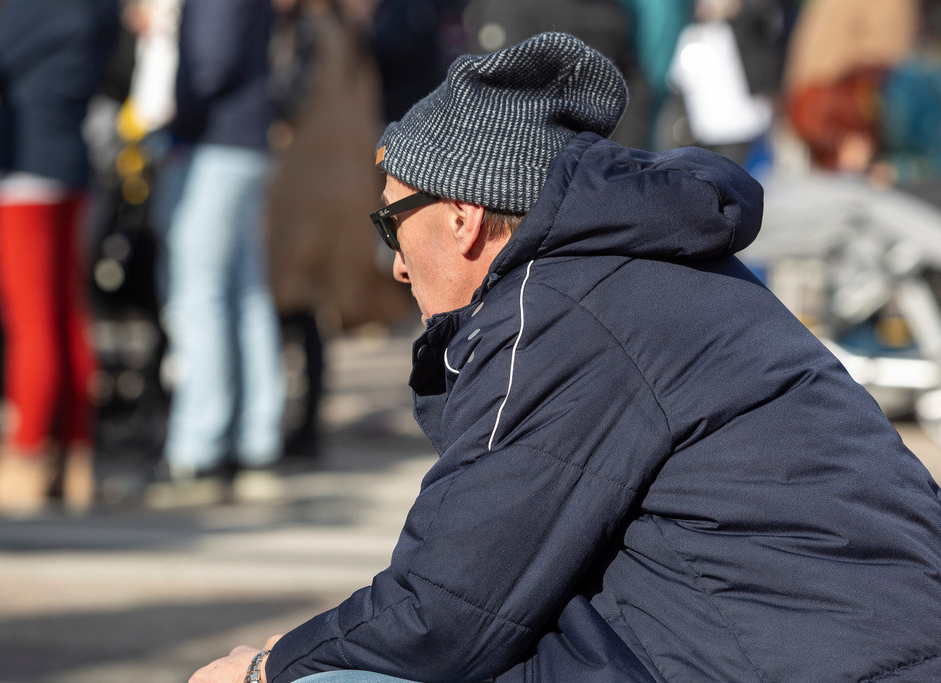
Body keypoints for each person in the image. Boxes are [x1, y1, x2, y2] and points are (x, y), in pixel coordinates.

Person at [192, 33, 941, 682]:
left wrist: (269, 665)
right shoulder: (620, 271)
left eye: (391, 221)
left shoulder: (564, 307)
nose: (393, 263)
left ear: (462, 218)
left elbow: (444, 608)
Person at [0, 0, 119, 514]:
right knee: (67, 314)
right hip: (72, 161)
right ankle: (75, 454)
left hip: (26, 164)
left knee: (30, 321)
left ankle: (28, 454)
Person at [150, 0, 285, 495]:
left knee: (198, 296)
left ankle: (198, 450)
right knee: (243, 296)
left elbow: (211, 59)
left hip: (215, 140)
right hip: (244, 137)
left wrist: (176, 126)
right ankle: (255, 442)